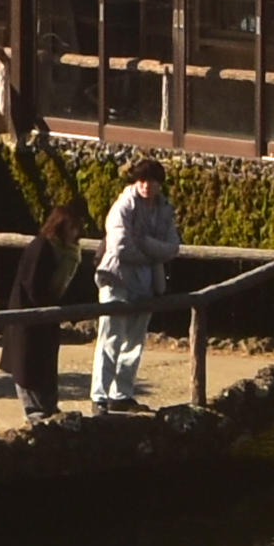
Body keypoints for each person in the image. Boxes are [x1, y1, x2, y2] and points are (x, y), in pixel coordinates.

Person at [88, 162, 176, 409]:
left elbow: (173, 247)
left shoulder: (165, 209)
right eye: (142, 180)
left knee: (135, 341)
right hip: (117, 279)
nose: (146, 186)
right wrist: (152, 254)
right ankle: (100, 396)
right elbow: (120, 246)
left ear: (160, 184)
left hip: (146, 284)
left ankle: (121, 395)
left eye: (151, 181)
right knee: (110, 338)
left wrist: (145, 244)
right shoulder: (124, 205)